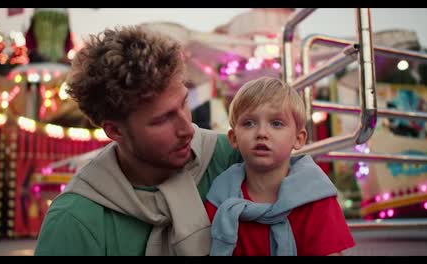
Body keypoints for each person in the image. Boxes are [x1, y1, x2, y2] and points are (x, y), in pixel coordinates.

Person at [34, 26, 309, 256]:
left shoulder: (235, 156)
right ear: (115, 132)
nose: (186, 128)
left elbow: (312, 203)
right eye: (161, 119)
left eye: (184, 103)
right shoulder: (74, 221)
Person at [205, 77, 355, 256]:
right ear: (233, 138)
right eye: (249, 123)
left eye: (276, 123)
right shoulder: (220, 195)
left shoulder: (316, 196)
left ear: (298, 138)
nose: (261, 133)